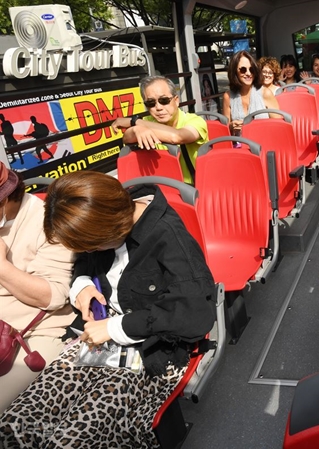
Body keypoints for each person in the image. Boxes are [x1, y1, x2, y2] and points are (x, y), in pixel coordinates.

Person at [0, 171, 216, 447]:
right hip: (100, 337)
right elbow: (83, 259)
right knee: (14, 425)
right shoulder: (103, 218)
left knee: (70, 440)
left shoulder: (169, 240)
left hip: (155, 347)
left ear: (112, 231)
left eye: (93, 246)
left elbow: (195, 315)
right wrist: (82, 285)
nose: (89, 252)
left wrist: (116, 327)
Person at [0, 165, 74, 413]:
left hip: (30, 335)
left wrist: (2, 267)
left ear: (5, 198)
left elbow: (53, 295)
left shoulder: (48, 222)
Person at [111, 75, 208, 185]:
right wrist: (136, 130)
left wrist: (134, 122)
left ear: (176, 100)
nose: (158, 107)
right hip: (162, 188)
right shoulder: (147, 122)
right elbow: (126, 138)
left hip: (195, 188)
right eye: (151, 103)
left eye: (164, 100)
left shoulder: (196, 121)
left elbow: (177, 136)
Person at [222, 51, 279, 136]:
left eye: (251, 69)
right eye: (243, 70)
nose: (248, 73)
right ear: (234, 72)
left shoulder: (265, 93)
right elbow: (225, 131)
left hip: (264, 145)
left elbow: (279, 126)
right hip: (240, 146)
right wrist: (231, 127)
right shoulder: (228, 97)